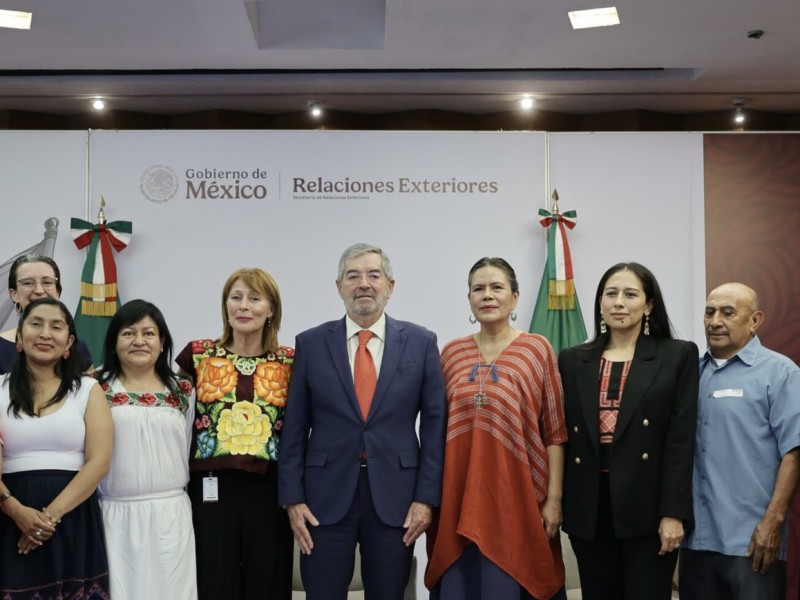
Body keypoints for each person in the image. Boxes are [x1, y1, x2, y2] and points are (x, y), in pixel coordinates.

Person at [278, 243, 447, 600]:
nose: (364, 284)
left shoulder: (421, 342)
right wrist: (292, 499)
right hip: (322, 499)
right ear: (339, 287)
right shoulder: (311, 343)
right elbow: (294, 428)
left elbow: (435, 428)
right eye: (353, 276)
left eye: (374, 275)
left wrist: (426, 498)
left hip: (397, 499)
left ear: (390, 285)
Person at [425, 257, 568, 600]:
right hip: (459, 500)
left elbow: (555, 432)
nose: (487, 295)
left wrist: (554, 500)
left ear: (515, 297)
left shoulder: (537, 350)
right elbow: (435, 432)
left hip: (518, 500)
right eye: (479, 289)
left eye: (497, 287)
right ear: (469, 299)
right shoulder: (451, 353)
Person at [558, 262, 698, 600]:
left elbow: (680, 442)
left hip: (649, 509)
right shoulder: (572, 359)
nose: (619, 302)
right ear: (600, 304)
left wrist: (673, 513)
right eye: (611, 294)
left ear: (648, 306)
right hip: (590, 510)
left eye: (630, 294)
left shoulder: (676, 354)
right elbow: (562, 437)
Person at [176, 268, 294, 600]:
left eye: (255, 298)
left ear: (271, 310)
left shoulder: (289, 361)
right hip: (209, 489)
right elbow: (173, 414)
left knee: (267, 580)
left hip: (270, 490)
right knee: (214, 580)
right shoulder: (198, 355)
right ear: (225, 305)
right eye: (236, 297)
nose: (243, 306)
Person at [680, 282, 800, 600]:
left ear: (755, 320)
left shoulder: (781, 373)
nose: (715, 321)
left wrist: (773, 522)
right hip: (695, 542)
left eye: (728, 312)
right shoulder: (690, 374)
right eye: (709, 312)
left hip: (751, 543)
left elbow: (795, 452)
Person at [0, 297, 113, 598]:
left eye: (56, 327)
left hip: (73, 516)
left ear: (69, 343)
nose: (45, 334)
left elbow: (99, 462)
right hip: (9, 518)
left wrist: (47, 518)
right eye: (36, 324)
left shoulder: (88, 389)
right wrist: (15, 510)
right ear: (19, 337)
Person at [97, 299, 198, 599]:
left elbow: (187, 445)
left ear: (162, 341)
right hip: (114, 514)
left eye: (148, 333)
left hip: (171, 514)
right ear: (114, 341)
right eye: (128, 333)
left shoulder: (183, 390)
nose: (139, 341)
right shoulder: (95, 387)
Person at [0, 254, 93, 374]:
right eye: (28, 283)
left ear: (57, 292)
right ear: (14, 294)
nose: (39, 290)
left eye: (47, 282)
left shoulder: (78, 348)